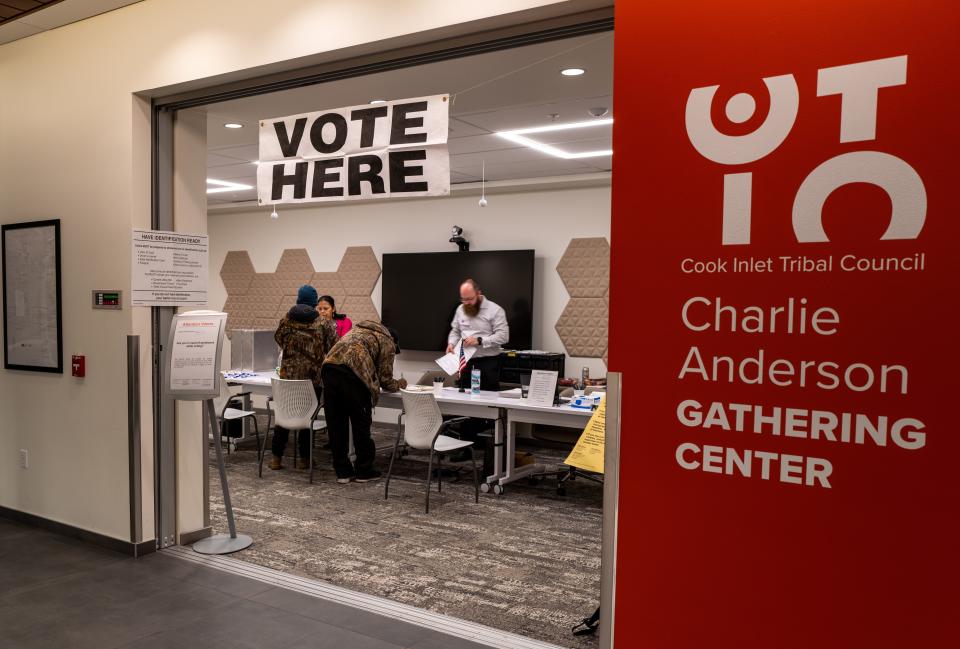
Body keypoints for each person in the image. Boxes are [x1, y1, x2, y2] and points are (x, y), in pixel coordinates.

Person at [321, 321, 407, 483]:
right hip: (354, 376)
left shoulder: (357, 331)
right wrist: (400, 383)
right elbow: (385, 380)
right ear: (394, 341)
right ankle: (364, 470)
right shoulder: (387, 340)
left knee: (336, 425)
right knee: (360, 424)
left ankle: (343, 472)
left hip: (329, 370)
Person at [270, 285, 338, 470]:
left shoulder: (286, 321)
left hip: (287, 378)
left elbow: (278, 339)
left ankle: (276, 458)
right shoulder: (323, 323)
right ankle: (304, 459)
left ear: (298, 300)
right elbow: (334, 346)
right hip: (312, 379)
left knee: (284, 416)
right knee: (308, 418)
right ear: (314, 302)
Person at [446, 278, 510, 391]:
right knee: (463, 398)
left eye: (470, 299)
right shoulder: (460, 309)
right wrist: (451, 343)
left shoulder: (495, 310)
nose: (466, 303)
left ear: (478, 294)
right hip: (465, 362)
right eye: (463, 299)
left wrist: (479, 340)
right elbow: (455, 331)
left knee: (487, 400)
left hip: (487, 363)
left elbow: (504, 336)